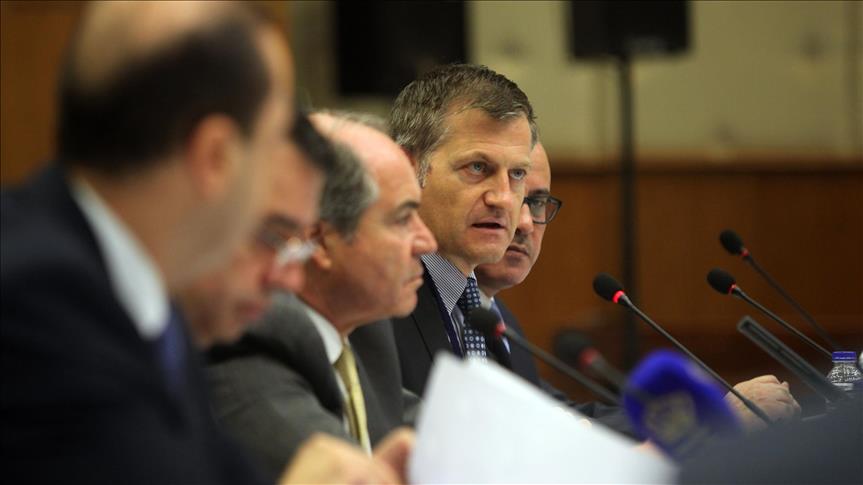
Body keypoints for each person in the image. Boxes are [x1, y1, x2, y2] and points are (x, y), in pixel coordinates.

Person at [1, 3, 407, 483]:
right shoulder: (34, 300)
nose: (289, 277)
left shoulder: (151, 302)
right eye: (270, 141)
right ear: (216, 155)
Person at [474, 142, 802, 432]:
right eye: (514, 199)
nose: (524, 223)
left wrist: (703, 415)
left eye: (537, 202)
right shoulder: (462, 315)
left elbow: (560, 417)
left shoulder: (498, 317)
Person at [205, 111, 436, 482]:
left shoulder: (366, 328)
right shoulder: (256, 340)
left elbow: (415, 422)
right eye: (403, 218)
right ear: (319, 240)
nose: (427, 242)